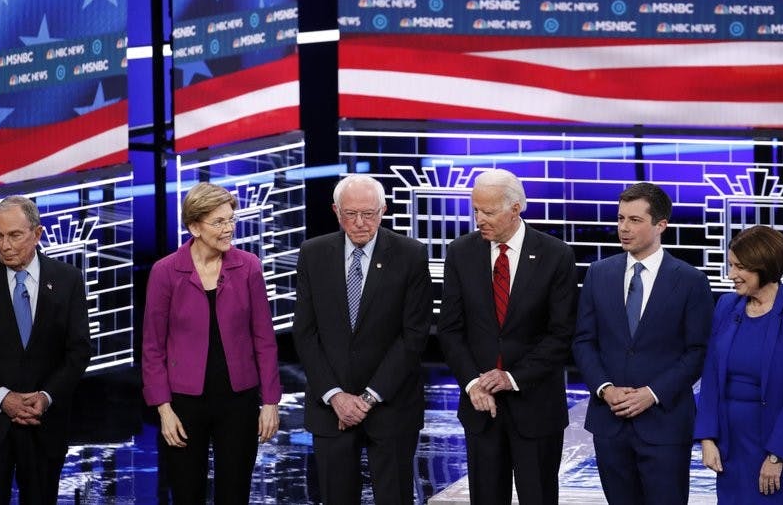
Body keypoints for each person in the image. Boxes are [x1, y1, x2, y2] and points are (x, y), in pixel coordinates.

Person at [437, 169, 577, 505]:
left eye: (488, 212)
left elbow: (561, 334)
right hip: (481, 408)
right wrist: (473, 383)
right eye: (475, 210)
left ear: (515, 209)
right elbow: (450, 330)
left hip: (536, 405)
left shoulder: (556, 255)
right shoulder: (460, 252)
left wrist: (512, 377)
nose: (478, 219)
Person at [293, 174, 433, 504]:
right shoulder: (313, 254)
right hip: (331, 408)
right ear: (335, 211)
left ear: (382, 211)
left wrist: (369, 397)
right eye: (350, 214)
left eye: (368, 214)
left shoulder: (411, 255)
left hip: (392, 406)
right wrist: (336, 396)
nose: (359, 223)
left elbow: (413, 335)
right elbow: (305, 332)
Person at [572, 181, 714, 505]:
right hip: (610, 423)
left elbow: (698, 351)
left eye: (634, 220)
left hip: (664, 425)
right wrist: (605, 388)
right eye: (621, 219)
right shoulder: (598, 273)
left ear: (661, 225)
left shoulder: (691, 281)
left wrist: (652, 394)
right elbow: (583, 341)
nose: (624, 228)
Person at [141, 182, 281, 505]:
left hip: (238, 401)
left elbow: (264, 338)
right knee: (187, 494)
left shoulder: (248, 267)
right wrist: (164, 409)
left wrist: (271, 401)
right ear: (194, 227)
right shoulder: (165, 272)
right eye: (218, 222)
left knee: (234, 495)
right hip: (183, 404)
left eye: (231, 219)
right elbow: (152, 347)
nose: (228, 229)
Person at [0, 195, 92, 504]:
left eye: (15, 235)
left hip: (44, 426)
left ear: (38, 234)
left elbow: (79, 351)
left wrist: (45, 397)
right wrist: (4, 398)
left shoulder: (67, 280)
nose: (6, 245)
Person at [695, 225, 783, 503]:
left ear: (765, 268)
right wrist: (707, 437)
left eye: (740, 267)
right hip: (731, 446)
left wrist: (776, 455)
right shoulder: (725, 306)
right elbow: (710, 374)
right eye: (731, 265)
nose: (731, 275)